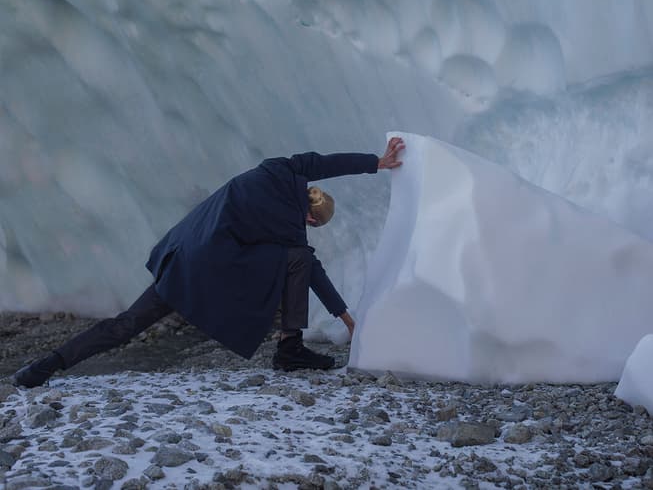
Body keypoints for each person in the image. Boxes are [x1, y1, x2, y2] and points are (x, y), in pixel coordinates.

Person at [13, 136, 406, 388]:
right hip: (214, 276)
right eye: (313, 224)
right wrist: (348, 320)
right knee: (299, 261)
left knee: (126, 325)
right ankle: (290, 348)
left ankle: (45, 366)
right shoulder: (292, 231)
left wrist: (377, 161)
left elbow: (326, 161)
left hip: (182, 257)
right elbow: (312, 271)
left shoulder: (281, 168)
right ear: (310, 217)